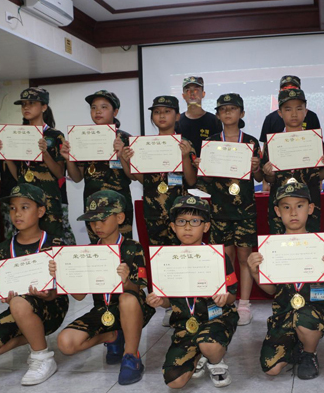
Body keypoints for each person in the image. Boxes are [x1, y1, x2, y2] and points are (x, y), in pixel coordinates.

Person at [50, 191, 154, 385]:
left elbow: (139, 289)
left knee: (127, 298)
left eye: (103, 219)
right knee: (66, 343)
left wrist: (126, 281)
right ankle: (113, 336)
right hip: (102, 310)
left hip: (133, 309)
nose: (97, 226)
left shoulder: (133, 247)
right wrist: (61, 275)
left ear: (119, 218)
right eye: (92, 221)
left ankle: (131, 356)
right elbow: (79, 296)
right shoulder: (87, 252)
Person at [0, 184, 67, 385]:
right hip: (21, 307)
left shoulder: (56, 244)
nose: (17, 214)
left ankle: (42, 357)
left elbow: (68, 285)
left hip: (52, 306)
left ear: (40, 211)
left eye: (24, 207)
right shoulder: (4, 248)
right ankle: (34, 334)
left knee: (19, 304)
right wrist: (7, 295)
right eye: (13, 208)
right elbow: (3, 283)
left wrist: (49, 294)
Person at [146, 196, 238, 388]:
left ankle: (215, 362)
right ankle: (199, 355)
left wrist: (224, 298)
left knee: (209, 343)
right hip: (185, 323)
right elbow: (167, 300)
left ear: (206, 226)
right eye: (181, 221)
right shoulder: (165, 259)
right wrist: (159, 301)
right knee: (174, 381)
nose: (187, 227)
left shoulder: (217, 256)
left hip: (216, 318)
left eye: (195, 221)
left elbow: (232, 296)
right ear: (173, 226)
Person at [247, 182, 324, 380]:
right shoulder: (271, 247)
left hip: (313, 312)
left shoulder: (319, 246)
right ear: (278, 212)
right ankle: (296, 344)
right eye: (286, 207)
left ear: (310, 209)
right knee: (271, 368)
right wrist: (254, 272)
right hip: (284, 313)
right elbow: (271, 291)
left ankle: (309, 353)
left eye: (299, 206)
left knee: (305, 320)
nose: (293, 212)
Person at [122, 95, 197, 327]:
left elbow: (191, 180)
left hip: (180, 214)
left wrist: (185, 156)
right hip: (153, 211)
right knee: (161, 260)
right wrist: (125, 160)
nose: (161, 116)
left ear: (177, 115)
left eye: (167, 111)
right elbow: (138, 178)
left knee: (182, 259)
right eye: (156, 112)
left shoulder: (186, 144)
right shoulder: (144, 145)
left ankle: (187, 303)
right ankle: (169, 305)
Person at [195, 93, 263, 325]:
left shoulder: (251, 142)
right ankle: (228, 302)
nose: (227, 112)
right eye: (223, 109)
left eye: (232, 108)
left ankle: (244, 304)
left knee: (244, 258)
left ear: (241, 113)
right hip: (219, 211)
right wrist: (201, 167)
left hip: (245, 210)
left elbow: (260, 177)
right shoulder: (211, 142)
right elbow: (205, 181)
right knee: (225, 258)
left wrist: (256, 167)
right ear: (217, 115)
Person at [0, 87, 74, 243]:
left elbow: (59, 173)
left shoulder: (55, 136)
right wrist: (5, 155)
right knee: (27, 244)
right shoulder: (17, 135)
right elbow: (18, 175)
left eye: (31, 103)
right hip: (24, 200)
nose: (26, 107)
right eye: (23, 104)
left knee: (51, 244)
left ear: (44, 107)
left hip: (48, 201)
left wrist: (45, 153)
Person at [61, 90, 135, 243]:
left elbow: (133, 176)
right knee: (98, 248)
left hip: (119, 206)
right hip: (92, 206)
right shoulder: (82, 137)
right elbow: (77, 177)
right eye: (93, 107)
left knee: (123, 247)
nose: (98, 111)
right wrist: (69, 159)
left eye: (104, 107)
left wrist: (122, 155)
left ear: (115, 111)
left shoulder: (125, 138)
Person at [261, 89, 324, 234]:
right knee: (280, 244)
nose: (294, 114)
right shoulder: (273, 143)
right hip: (281, 206)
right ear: (280, 113)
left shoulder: (314, 141)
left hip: (309, 205)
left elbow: (319, 176)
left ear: (306, 111)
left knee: (309, 243)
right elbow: (270, 179)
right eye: (288, 109)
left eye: (299, 109)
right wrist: (268, 174)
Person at [258, 75, 321, 143]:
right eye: (285, 88)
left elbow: (318, 142)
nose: (290, 91)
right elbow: (266, 145)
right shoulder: (270, 118)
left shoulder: (311, 116)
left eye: (293, 88)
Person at [177, 76, 222, 157]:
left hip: (208, 164)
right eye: (188, 90)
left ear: (203, 94)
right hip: (183, 164)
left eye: (196, 90)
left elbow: (219, 148)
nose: (192, 93)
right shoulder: (177, 121)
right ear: (183, 96)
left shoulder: (214, 120)